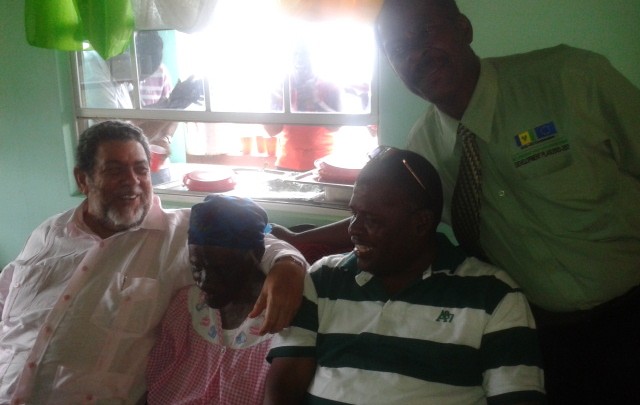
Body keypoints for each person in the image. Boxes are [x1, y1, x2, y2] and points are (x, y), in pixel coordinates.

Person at [271, 1, 640, 403]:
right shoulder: (425, 147)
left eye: (426, 32)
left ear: (464, 28)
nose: (417, 54)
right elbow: (387, 219)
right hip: (536, 331)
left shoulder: (571, 79)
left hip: (629, 307)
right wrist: (298, 242)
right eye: (398, 49)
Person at [0, 120, 306, 404]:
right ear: (83, 179)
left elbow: (261, 243)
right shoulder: (49, 232)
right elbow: (7, 295)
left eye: (141, 169)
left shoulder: (180, 233)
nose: (131, 181)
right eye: (114, 170)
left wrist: (288, 266)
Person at [263, 147, 545, 405]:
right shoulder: (323, 279)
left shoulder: (494, 297)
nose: (353, 230)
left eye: (372, 220)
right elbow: (283, 390)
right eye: (354, 214)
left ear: (421, 223)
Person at [146, 194, 308, 404]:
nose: (205, 281)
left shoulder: (283, 314)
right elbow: (157, 378)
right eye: (196, 267)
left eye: (221, 269)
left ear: (258, 253)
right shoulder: (188, 305)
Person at [264, 43, 342, 171]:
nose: (300, 59)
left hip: (322, 164)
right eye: (296, 54)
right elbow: (271, 131)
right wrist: (280, 106)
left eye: (305, 54)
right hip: (287, 164)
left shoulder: (330, 86)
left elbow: (336, 127)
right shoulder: (281, 87)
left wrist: (316, 101)